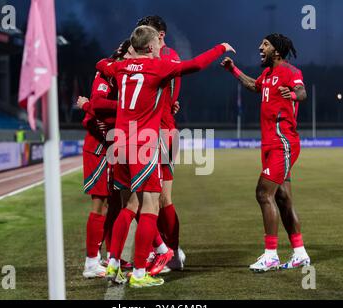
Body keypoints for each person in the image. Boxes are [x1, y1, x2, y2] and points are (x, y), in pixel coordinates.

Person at [97, 25, 235, 288]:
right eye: (158, 45)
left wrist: (119, 56)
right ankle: (139, 273)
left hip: (119, 143)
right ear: (150, 47)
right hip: (143, 144)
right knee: (151, 206)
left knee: (128, 207)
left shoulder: (119, 68)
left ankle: (113, 265)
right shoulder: (158, 67)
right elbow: (194, 65)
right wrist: (220, 48)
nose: (163, 48)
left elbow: (101, 64)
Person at [221, 33, 311, 272]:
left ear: (277, 51)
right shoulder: (268, 75)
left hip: (283, 143)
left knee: (263, 193)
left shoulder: (290, 72)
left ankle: (270, 256)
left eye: (266, 45)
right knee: (282, 198)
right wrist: (233, 70)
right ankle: (300, 253)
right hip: (269, 145)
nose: (260, 47)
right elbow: (254, 85)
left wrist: (292, 94)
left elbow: (302, 93)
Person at [136, 15, 185, 272]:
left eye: (148, 34)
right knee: (150, 198)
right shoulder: (164, 56)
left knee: (158, 198)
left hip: (161, 132)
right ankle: (165, 249)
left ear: (160, 36)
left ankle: (169, 252)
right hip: (155, 131)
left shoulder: (165, 56)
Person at [78, 40, 131, 279]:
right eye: (131, 53)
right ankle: (91, 262)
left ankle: (112, 257)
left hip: (115, 143)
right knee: (100, 203)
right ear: (122, 53)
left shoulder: (129, 75)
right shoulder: (106, 72)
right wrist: (125, 105)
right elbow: (98, 104)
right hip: (99, 147)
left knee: (116, 204)